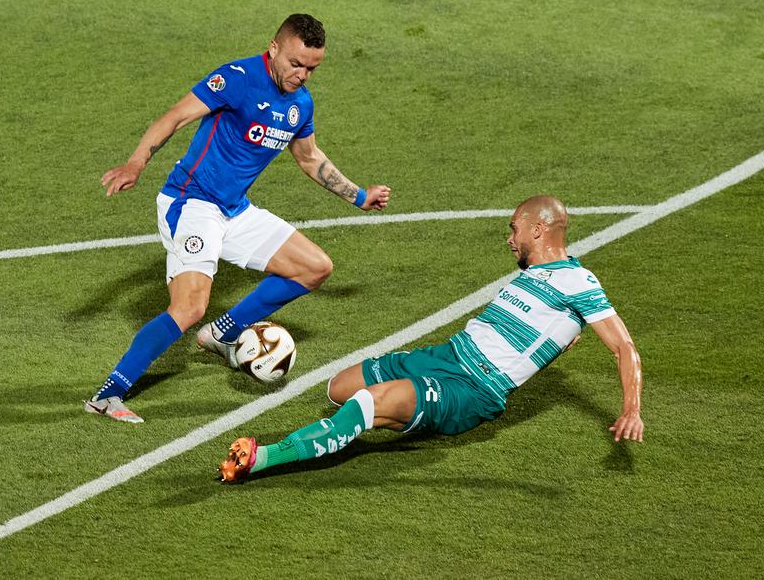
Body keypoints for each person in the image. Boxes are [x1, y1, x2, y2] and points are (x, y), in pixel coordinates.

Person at [85, 14, 391, 423]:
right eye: (296, 64)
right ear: (275, 48)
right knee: (190, 307)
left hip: (235, 209)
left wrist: (358, 195)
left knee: (315, 268)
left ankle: (223, 333)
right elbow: (175, 116)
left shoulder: (301, 104)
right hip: (191, 203)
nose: (302, 75)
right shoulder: (238, 77)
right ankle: (108, 395)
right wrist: (136, 162)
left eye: (312, 68)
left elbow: (309, 157)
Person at [218, 195, 643, 481]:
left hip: (473, 387)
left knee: (368, 403)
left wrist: (631, 411)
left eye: (514, 229)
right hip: (445, 355)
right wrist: (566, 333)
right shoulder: (535, 276)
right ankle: (404, 409)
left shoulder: (579, 281)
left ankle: (262, 458)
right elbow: (546, 325)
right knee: (339, 389)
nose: (509, 238)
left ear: (537, 230)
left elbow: (623, 346)